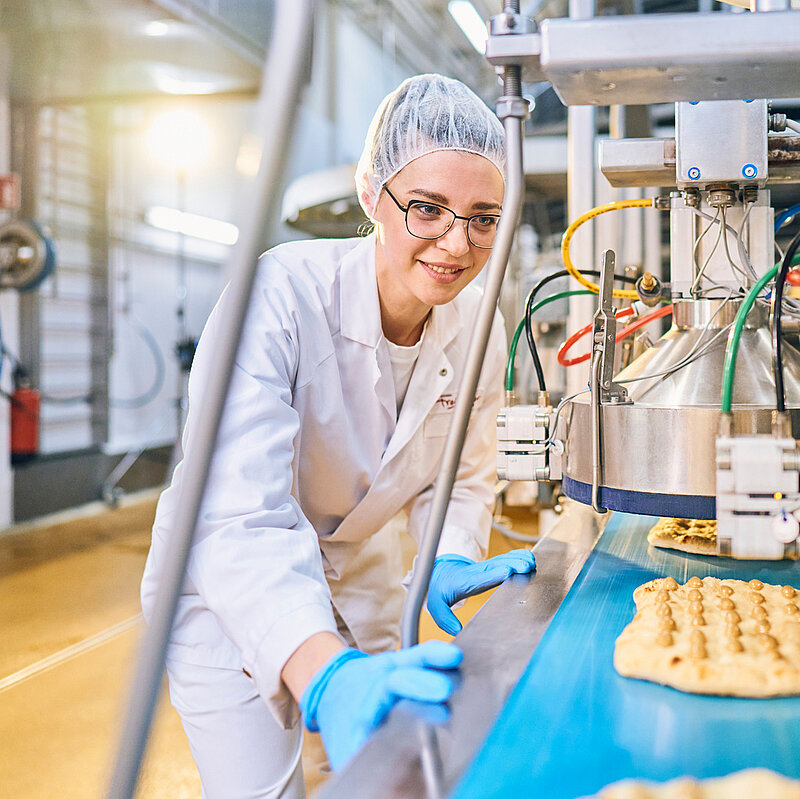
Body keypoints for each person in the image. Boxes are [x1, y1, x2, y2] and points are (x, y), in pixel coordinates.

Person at [141, 73, 536, 799]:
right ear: (371, 195)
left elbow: (465, 476)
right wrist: (325, 673)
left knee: (394, 768)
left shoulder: (482, 321)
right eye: (428, 209)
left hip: (363, 574)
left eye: (484, 216)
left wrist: (448, 554)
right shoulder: (278, 298)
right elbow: (238, 512)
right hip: (226, 580)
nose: (457, 243)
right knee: (262, 789)